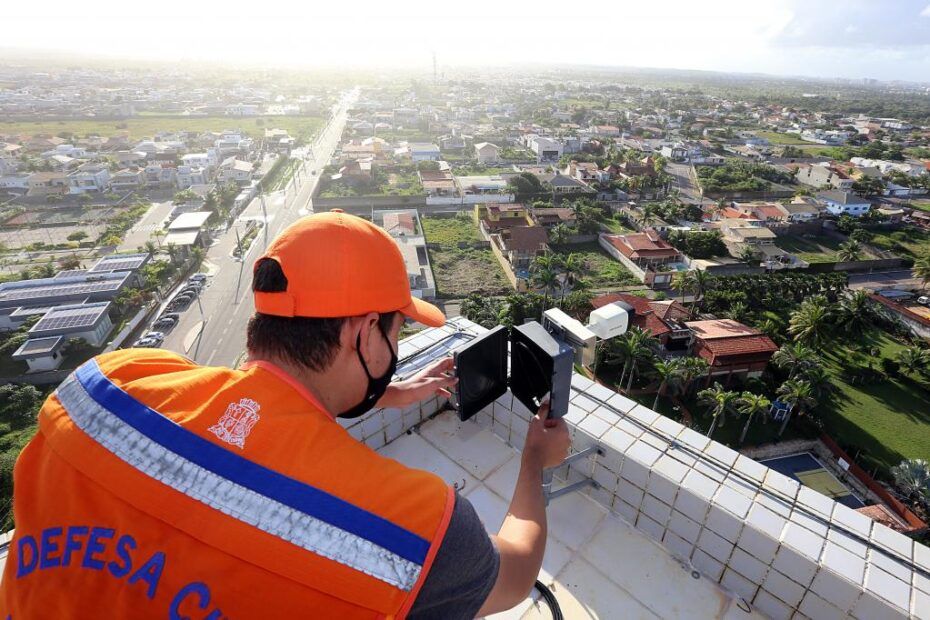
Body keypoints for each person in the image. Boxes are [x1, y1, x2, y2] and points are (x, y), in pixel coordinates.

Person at [0, 211, 570, 619]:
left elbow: (272, 409)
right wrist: (533, 461)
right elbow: (517, 573)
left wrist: (390, 392)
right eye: (397, 330)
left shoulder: (106, 386)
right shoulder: (414, 530)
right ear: (364, 332)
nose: (396, 348)